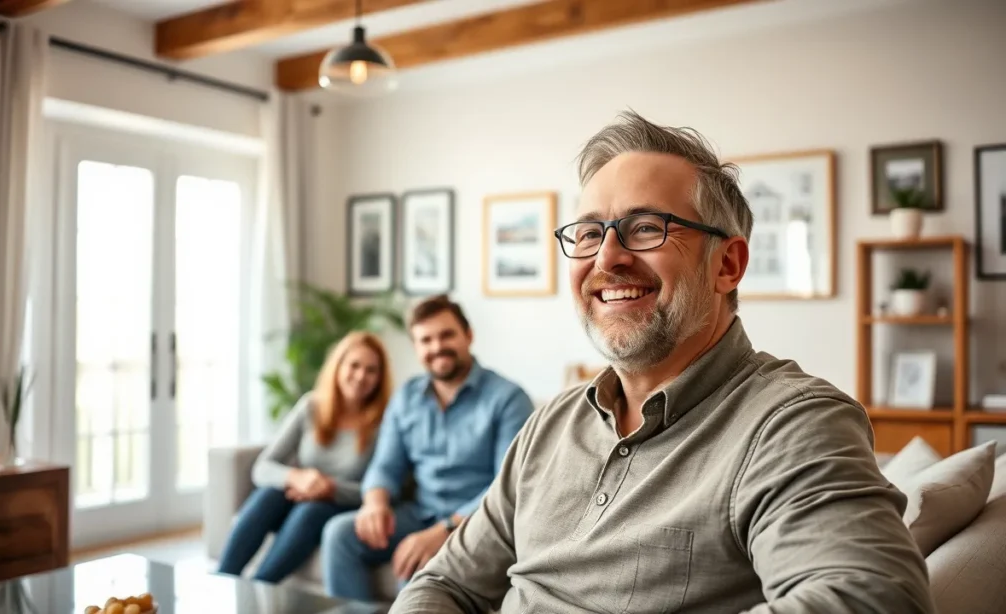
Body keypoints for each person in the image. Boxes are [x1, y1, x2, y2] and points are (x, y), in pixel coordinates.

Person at [389, 111, 937, 613]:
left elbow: (871, 599)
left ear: (727, 264)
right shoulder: (548, 427)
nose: (607, 258)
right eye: (587, 233)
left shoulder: (791, 423)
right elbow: (445, 584)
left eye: (646, 227)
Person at [321, 294, 534, 602]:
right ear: (416, 347)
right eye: (426, 340)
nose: (437, 347)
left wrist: (444, 531)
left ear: (468, 335)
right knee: (339, 534)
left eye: (447, 335)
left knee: (417, 576)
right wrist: (375, 503)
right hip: (419, 513)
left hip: (479, 525)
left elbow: (507, 489)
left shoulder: (508, 399)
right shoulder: (406, 397)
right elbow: (386, 466)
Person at [216, 331, 393, 584]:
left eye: (371, 370)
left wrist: (329, 488)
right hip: (299, 495)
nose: (361, 376)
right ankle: (222, 579)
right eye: (354, 365)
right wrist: (297, 477)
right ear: (338, 366)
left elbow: (386, 488)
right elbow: (262, 468)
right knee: (269, 495)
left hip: (343, 505)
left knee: (311, 510)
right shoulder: (311, 407)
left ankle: (259, 588)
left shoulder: (385, 423)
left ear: (380, 377)